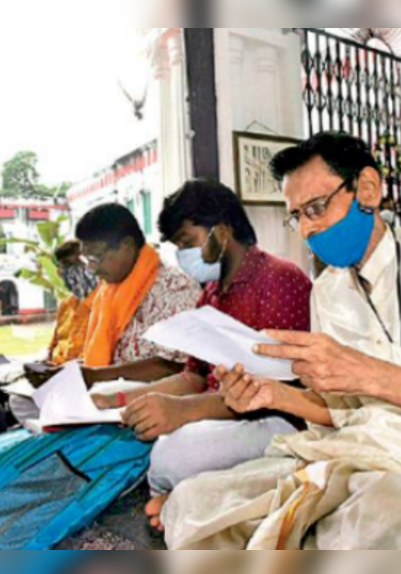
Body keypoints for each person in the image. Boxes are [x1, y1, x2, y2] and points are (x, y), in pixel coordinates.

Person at [160, 131, 401, 550]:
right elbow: (343, 414)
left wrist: (368, 374)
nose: (308, 229)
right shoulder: (328, 290)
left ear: (368, 189)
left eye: (317, 208)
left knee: (378, 523)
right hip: (359, 450)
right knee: (193, 501)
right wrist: (271, 396)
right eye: (298, 216)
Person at [96, 180, 314, 532]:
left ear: (223, 231)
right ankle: (184, 501)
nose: (183, 256)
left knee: (173, 454)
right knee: (146, 437)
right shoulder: (211, 294)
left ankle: (183, 504)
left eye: (187, 243)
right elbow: (193, 376)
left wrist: (184, 411)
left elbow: (275, 389)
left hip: (280, 418)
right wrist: (122, 399)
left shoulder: (279, 280)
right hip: (224, 411)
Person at [10, 204, 202, 424]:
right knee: (22, 401)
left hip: (150, 393)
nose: (91, 269)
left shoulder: (174, 287)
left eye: (96, 258)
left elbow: (173, 366)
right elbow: (109, 355)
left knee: (82, 403)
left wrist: (93, 376)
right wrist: (67, 371)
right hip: (108, 381)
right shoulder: (108, 292)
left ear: (127, 245)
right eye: (87, 259)